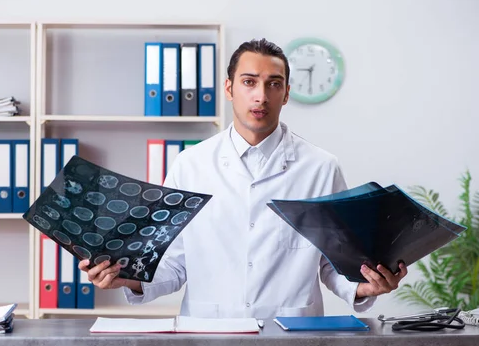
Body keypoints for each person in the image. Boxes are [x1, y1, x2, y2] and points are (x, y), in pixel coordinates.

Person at [79, 38, 408, 319]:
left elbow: (331, 262)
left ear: (287, 93)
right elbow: (175, 264)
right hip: (208, 334)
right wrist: (127, 279)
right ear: (229, 88)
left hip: (293, 337)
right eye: (249, 82)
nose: (261, 96)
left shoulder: (321, 167)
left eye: (274, 84)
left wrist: (364, 287)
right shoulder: (190, 164)